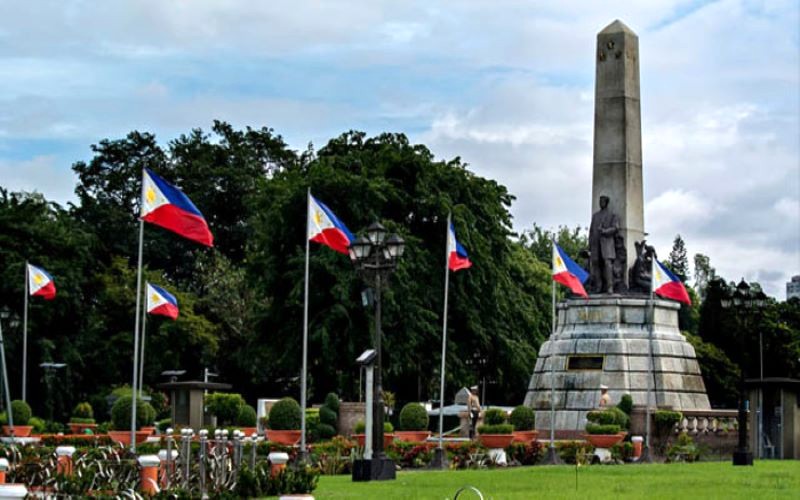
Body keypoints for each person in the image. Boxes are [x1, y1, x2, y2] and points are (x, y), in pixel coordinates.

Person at [589, 195, 620, 294]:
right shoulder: (595, 216)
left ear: (606, 202)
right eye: (599, 201)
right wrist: (589, 244)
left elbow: (615, 228)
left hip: (607, 244)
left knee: (607, 264)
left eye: (602, 201)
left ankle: (609, 287)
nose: (600, 202)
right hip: (595, 244)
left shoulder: (612, 215)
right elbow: (591, 231)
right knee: (595, 264)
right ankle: (598, 286)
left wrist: (605, 231)